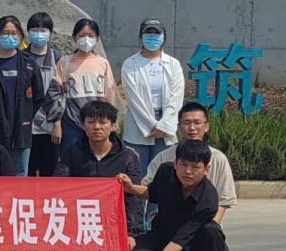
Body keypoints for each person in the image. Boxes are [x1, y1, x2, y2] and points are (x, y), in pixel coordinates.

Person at [120, 139, 233, 251]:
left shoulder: (208, 199)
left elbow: (179, 242)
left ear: (206, 169)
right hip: (162, 234)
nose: (188, 171)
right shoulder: (166, 172)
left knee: (212, 231)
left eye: (195, 167)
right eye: (183, 164)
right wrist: (131, 188)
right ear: (175, 163)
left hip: (191, 248)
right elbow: (151, 193)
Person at [54, 100, 143, 239]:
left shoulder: (127, 157)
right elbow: (58, 185)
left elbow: (133, 198)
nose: (97, 127)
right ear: (83, 125)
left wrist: (131, 234)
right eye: (91, 122)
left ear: (113, 125)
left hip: (114, 222)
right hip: (80, 221)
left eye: (103, 122)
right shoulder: (71, 153)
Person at [0, 15, 45, 176]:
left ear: (21, 36)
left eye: (14, 33)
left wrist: (25, 115)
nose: (9, 37)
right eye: (5, 33)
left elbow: (38, 98)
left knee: (19, 178)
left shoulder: (29, 64)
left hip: (21, 134)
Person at [143, 102, 237, 224]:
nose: (192, 128)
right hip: (168, 225)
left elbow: (224, 200)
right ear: (178, 126)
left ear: (206, 127)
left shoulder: (218, 158)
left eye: (197, 123)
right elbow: (148, 190)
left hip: (204, 226)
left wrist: (212, 226)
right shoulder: (163, 157)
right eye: (186, 123)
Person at [121, 17, 186, 175]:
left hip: (166, 124)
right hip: (138, 124)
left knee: (162, 175)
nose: (152, 38)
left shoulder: (173, 64)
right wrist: (151, 125)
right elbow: (133, 99)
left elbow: (177, 97)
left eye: (156, 34)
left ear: (164, 37)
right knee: (138, 174)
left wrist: (164, 126)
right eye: (148, 33)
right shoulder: (130, 64)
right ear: (140, 37)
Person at [54, 18, 118, 158]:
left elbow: (110, 94)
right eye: (82, 35)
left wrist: (113, 121)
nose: (86, 39)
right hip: (71, 125)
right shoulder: (64, 62)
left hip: (97, 124)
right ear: (74, 38)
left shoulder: (103, 63)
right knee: (70, 162)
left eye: (90, 35)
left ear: (97, 39)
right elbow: (56, 95)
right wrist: (56, 123)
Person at [26, 12, 65, 177]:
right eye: (35, 30)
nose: (39, 34)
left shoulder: (58, 58)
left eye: (43, 30)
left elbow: (61, 95)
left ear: (51, 33)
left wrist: (57, 123)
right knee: (26, 173)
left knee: (49, 174)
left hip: (50, 127)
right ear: (28, 32)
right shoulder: (22, 57)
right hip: (26, 127)